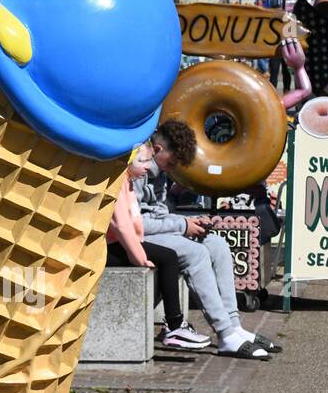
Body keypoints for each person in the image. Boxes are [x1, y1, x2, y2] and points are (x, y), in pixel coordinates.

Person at [134, 119, 280, 359]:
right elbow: (136, 223)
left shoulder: (158, 170)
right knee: (196, 253)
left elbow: (158, 212)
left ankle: (234, 325)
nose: (171, 169)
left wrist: (190, 222)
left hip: (153, 230)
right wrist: (182, 225)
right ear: (157, 150)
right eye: (171, 163)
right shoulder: (139, 168)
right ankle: (224, 334)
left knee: (217, 244)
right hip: (135, 237)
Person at [106, 148, 210, 350]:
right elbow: (121, 225)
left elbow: (132, 224)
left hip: (123, 243)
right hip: (109, 248)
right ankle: (175, 326)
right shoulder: (117, 184)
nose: (147, 166)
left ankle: (174, 325)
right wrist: (138, 256)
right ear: (128, 161)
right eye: (142, 161)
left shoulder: (127, 183)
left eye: (148, 161)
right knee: (168, 257)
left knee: (167, 257)